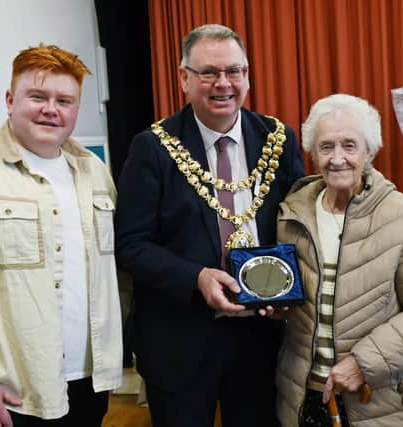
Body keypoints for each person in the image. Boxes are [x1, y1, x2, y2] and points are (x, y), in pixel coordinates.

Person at [114, 24, 305, 426]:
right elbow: (131, 245)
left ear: (248, 75)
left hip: (262, 339)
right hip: (179, 340)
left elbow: (297, 229)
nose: (223, 84)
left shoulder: (278, 139)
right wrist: (196, 277)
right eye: (208, 73)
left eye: (234, 71)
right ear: (184, 78)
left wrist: (289, 289)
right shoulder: (153, 147)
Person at [0, 45, 123, 426]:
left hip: (88, 384)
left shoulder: (94, 172)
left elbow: (112, 279)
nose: (51, 109)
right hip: (6, 393)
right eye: (37, 96)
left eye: (64, 100)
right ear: (10, 100)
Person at [275, 94, 403, 427]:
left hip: (387, 400)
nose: (337, 159)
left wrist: (363, 363)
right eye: (326, 147)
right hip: (305, 394)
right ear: (312, 153)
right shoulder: (292, 212)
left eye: (350, 145)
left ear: (370, 151)